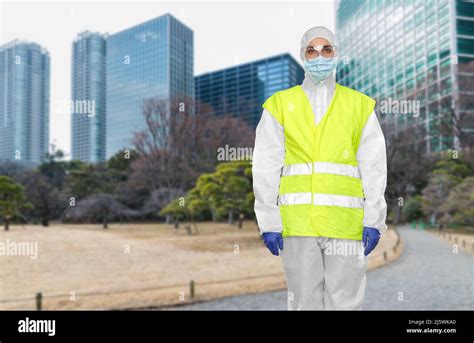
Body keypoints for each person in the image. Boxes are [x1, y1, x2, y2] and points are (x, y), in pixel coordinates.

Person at [252, 26, 387, 310]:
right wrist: (269, 221)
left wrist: (374, 219)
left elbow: (374, 167)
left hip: (346, 223)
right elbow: (265, 166)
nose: (319, 57)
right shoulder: (279, 104)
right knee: (303, 303)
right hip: (297, 224)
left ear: (336, 54)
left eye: (326, 50)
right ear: (303, 56)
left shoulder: (359, 105)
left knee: (346, 303)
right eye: (312, 51)